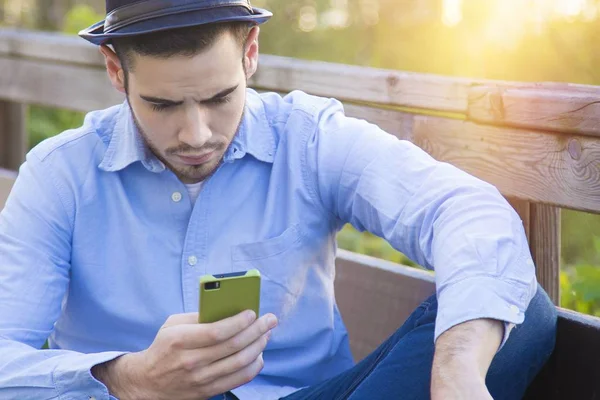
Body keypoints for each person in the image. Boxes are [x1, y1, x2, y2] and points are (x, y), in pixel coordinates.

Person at [0, 1, 556, 399]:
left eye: (219, 98)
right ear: (117, 72)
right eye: (163, 105)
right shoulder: (60, 174)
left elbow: (463, 210)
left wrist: (456, 370)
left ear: (250, 54)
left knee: (520, 312)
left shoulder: (308, 137)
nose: (196, 134)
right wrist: (129, 378)